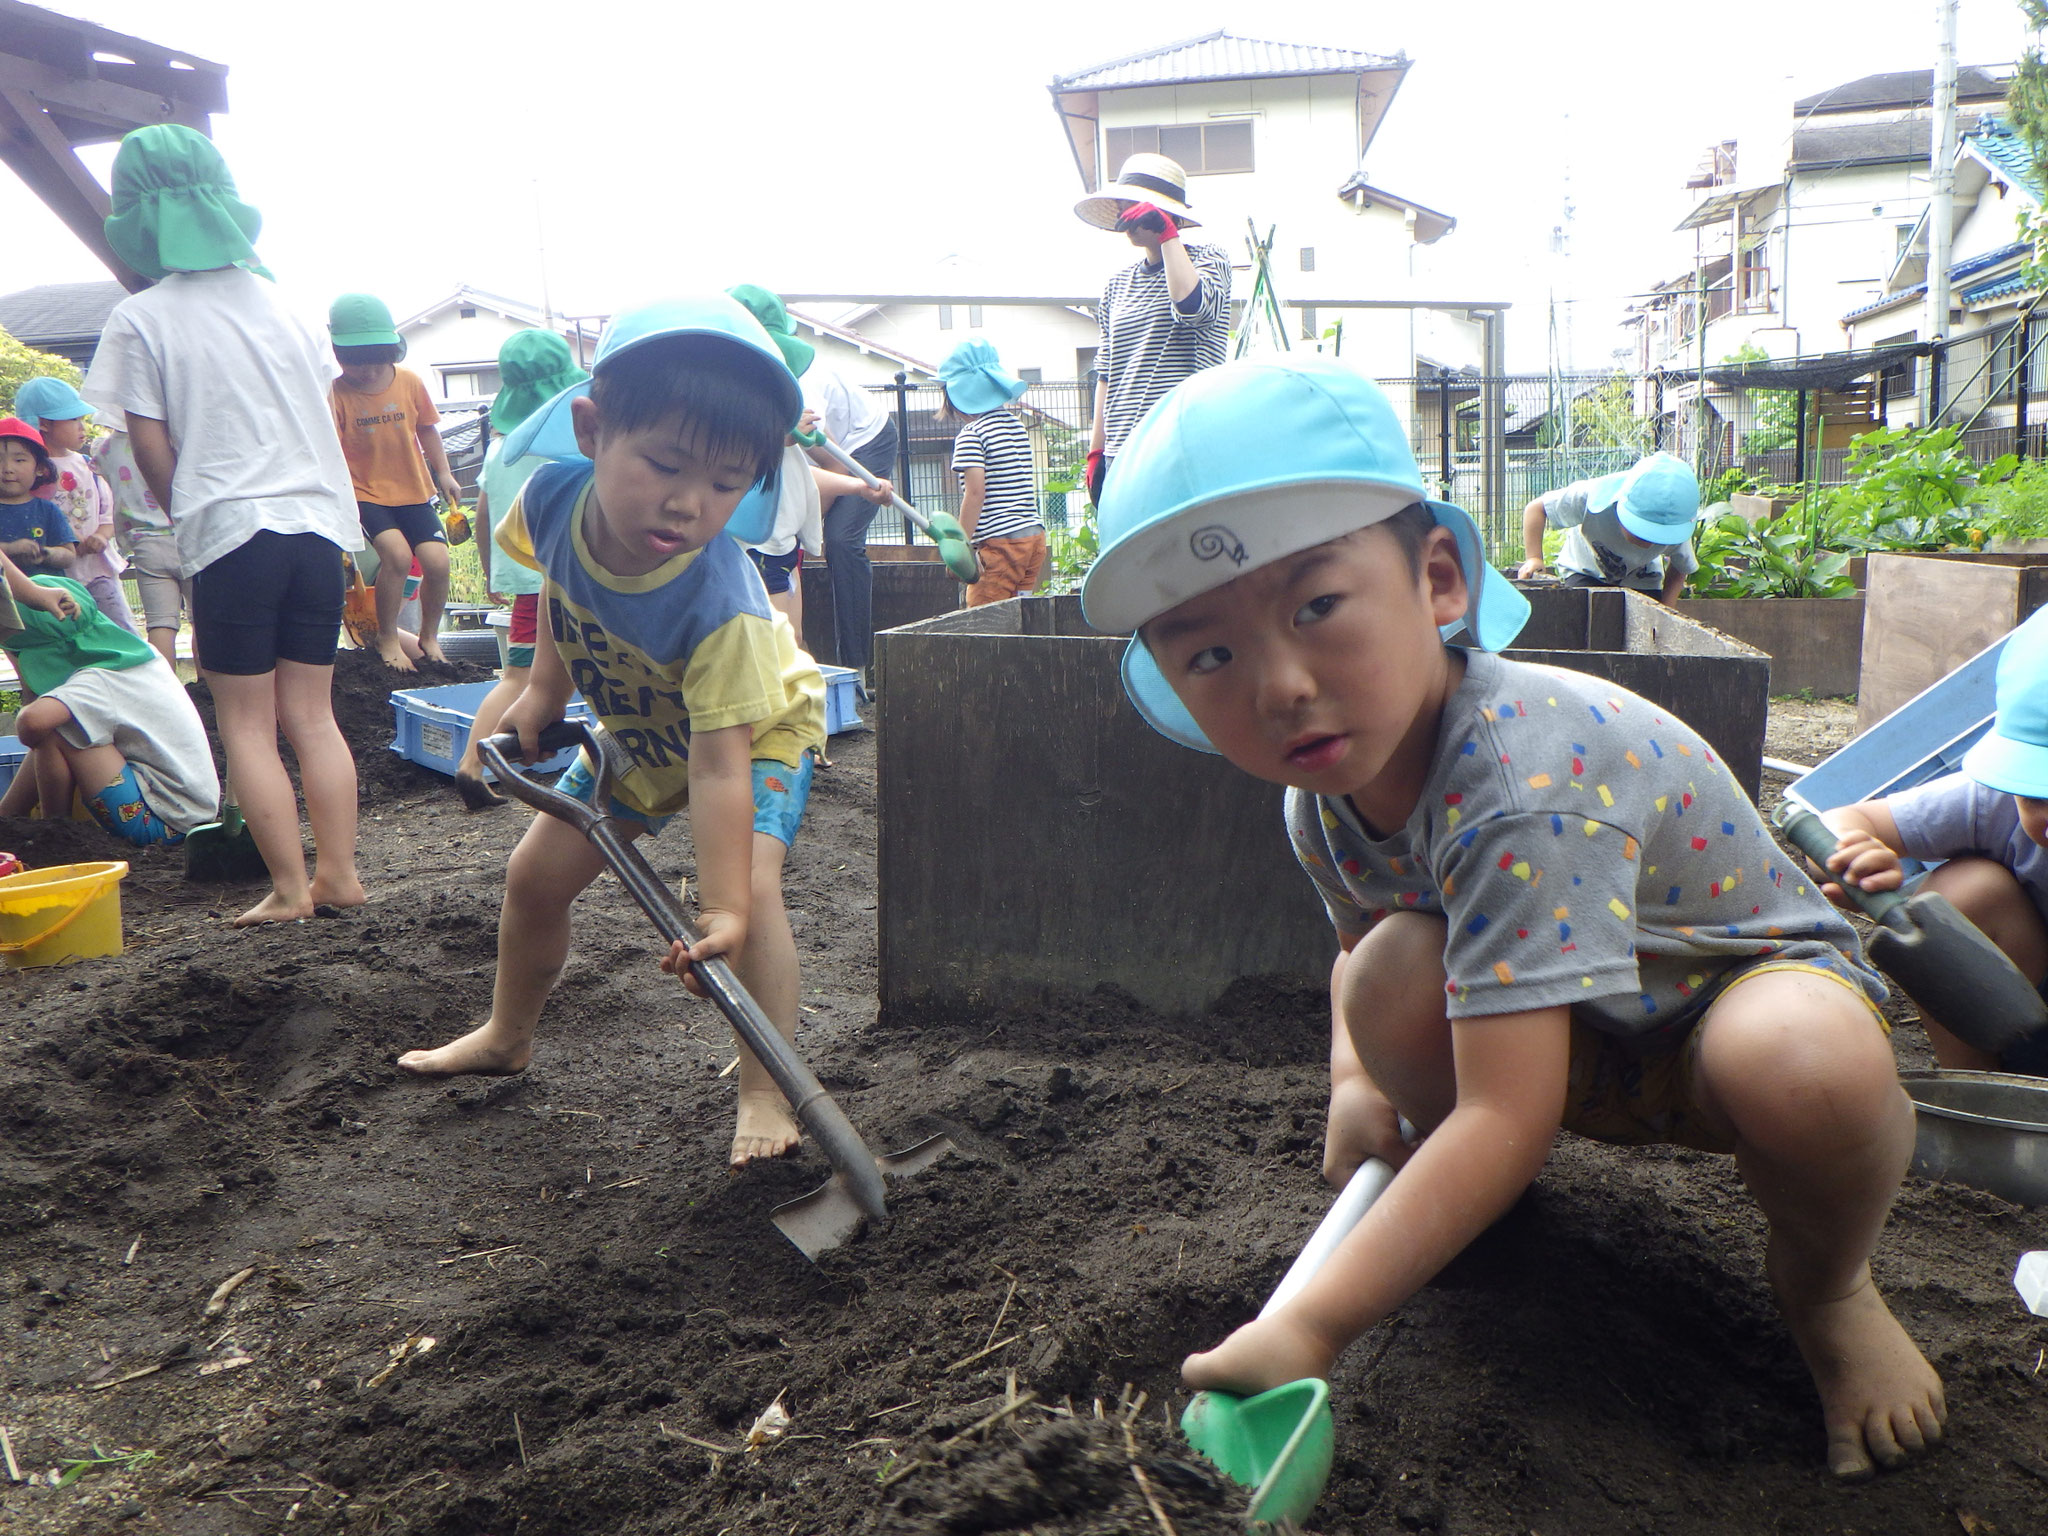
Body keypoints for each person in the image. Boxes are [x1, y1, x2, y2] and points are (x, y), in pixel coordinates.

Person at [1078, 354, 1943, 1482]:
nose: (1277, 683)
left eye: (1317, 606)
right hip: (1567, 1038)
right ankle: (1472, 1202)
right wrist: (1354, 1082)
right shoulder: (1323, 803)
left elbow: (1503, 1107)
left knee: (1803, 1060)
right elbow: (1357, 958)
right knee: (1386, 967)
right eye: (1209, 653)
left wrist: (1311, 1327)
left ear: (1438, 581)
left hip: (1721, 1004)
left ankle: (1828, 1290)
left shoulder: (1516, 778)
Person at [395, 296, 830, 1171]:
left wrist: (722, 909)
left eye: (724, 483)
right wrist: (541, 690)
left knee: (754, 885)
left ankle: (764, 1086)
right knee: (535, 877)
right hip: (640, 727)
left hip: (755, 732)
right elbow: (562, 588)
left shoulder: (723, 608)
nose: (686, 502)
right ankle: (506, 1035)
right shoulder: (552, 500)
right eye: (664, 463)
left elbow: (717, 770)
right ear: (593, 430)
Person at [82, 123, 366, 927]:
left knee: (246, 718)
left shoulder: (143, 319)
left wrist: (189, 518)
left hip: (232, 534)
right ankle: (339, 874)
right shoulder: (287, 307)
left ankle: (286, 889)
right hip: (316, 527)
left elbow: (147, 442)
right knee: (314, 714)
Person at [1819, 605, 2048, 1075]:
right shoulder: (1995, 801)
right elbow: (1842, 820)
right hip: (2031, 1025)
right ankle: (1977, 1093)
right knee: (1965, 892)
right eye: (2036, 794)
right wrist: (1855, 859)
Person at [452, 329, 589, 811]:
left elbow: (484, 512)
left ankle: (476, 763)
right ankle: (473, 765)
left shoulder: (499, 448)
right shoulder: (569, 443)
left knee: (524, 675)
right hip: (547, 578)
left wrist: (491, 575)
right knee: (518, 679)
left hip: (519, 574)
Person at [0, 574, 218, 846]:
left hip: (164, 821)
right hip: (188, 812)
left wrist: (32, 698)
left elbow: (31, 724)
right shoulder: (137, 659)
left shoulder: (99, 680)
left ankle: (54, 834)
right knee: (65, 723)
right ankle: (10, 817)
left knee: (54, 730)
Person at [1074, 152, 1232, 505]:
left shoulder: (1209, 258)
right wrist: (1096, 452)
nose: (1125, 215)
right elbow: (1106, 372)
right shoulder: (1117, 284)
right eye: (1122, 206)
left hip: (1181, 444)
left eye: (1135, 206)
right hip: (1121, 450)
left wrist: (1167, 235)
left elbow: (1191, 307)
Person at [327, 293, 464, 671]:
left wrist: (446, 473)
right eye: (356, 362)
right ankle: (388, 636)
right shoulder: (336, 393)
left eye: (376, 360)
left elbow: (428, 431)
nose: (368, 371)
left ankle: (429, 637)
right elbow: (331, 451)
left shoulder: (409, 382)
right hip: (366, 493)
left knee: (437, 561)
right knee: (397, 557)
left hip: (414, 490)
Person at [795, 337, 896, 685]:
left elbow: (836, 467)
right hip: (826, 453)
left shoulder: (803, 393)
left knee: (839, 540)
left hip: (865, 441)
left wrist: (808, 529)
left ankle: (855, 668)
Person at [12, 378, 141, 635]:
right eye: (73, 420)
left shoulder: (87, 464)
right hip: (54, 574)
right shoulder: (30, 471)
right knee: (71, 637)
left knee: (120, 630)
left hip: (96, 569)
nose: (82, 427)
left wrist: (102, 537)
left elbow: (108, 509)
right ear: (44, 424)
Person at [1516, 451, 1702, 603]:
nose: (1648, 542)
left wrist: (1666, 609)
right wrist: (1534, 558)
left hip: (1641, 579)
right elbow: (1536, 509)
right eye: (1642, 531)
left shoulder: (1674, 526)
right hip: (1585, 569)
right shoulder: (1591, 497)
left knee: (1645, 622)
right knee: (1579, 613)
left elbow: (1680, 566)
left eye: (1658, 537)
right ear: (1622, 505)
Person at [939, 339, 1044, 606]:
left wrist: (960, 549)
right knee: (1021, 617)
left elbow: (974, 494)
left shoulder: (971, 435)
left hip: (1001, 544)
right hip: (1033, 538)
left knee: (982, 621)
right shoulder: (1016, 425)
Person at [90, 412, 188, 667]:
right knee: (202, 621)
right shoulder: (172, 439)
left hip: (144, 543)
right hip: (185, 538)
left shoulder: (105, 448)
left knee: (160, 623)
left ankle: (165, 686)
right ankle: (203, 686)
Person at [0, 418, 79, 578]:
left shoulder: (47, 509)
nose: (8, 468)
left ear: (40, 468)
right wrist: (9, 550)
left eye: (19, 460)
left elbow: (69, 555)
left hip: (49, 595)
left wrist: (45, 553)